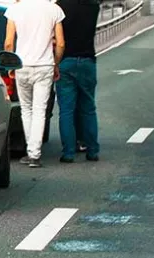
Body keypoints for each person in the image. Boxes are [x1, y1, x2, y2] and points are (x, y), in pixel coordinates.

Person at [4, 0, 66, 168]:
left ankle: (31, 151)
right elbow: (60, 43)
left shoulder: (15, 9)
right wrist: (56, 64)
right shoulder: (54, 9)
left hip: (22, 65)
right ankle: (34, 154)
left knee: (26, 109)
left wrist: (11, 64)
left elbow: (9, 43)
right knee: (40, 110)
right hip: (45, 66)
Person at [56, 0, 101, 162]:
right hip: (88, 60)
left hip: (66, 61)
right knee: (88, 107)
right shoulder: (93, 5)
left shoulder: (60, 6)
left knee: (66, 110)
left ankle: (68, 153)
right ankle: (92, 150)